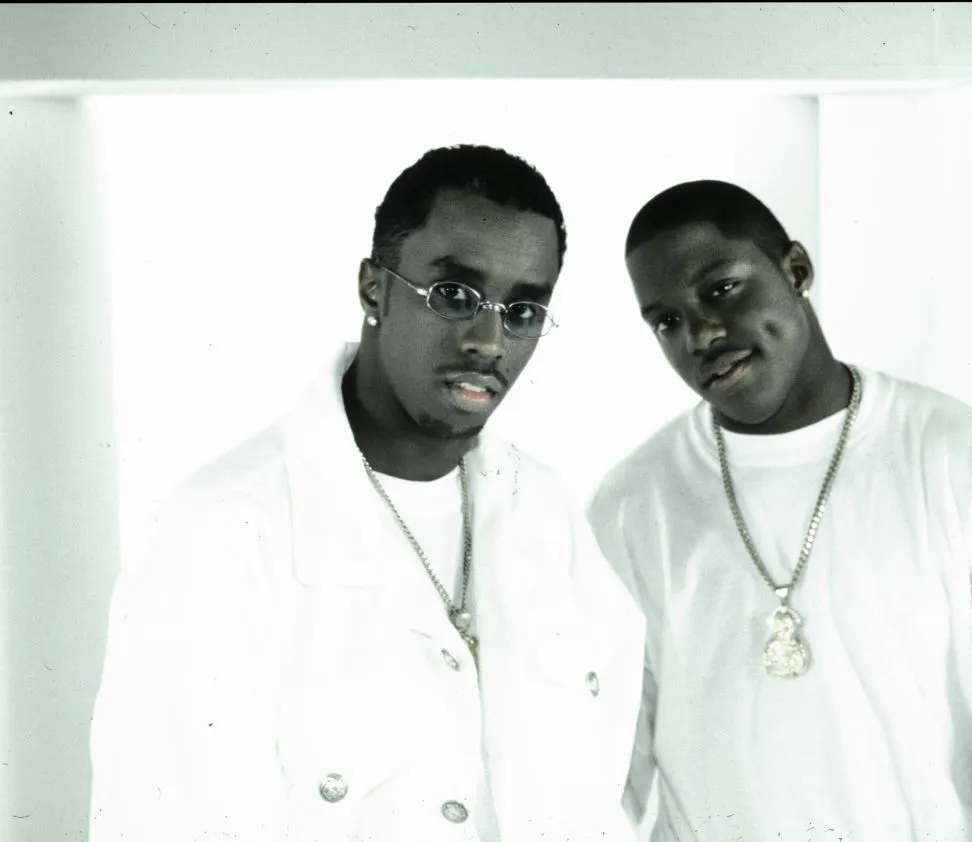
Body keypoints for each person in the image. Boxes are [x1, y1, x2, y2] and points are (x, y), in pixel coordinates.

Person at [89, 144, 646, 842]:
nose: (488, 339)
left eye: (523, 310)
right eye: (454, 295)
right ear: (373, 288)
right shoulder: (224, 527)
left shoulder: (546, 514)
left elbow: (596, 805)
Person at [586, 179, 972, 841]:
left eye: (721, 289)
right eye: (665, 320)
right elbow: (600, 774)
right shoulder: (630, 505)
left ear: (796, 270)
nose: (701, 334)